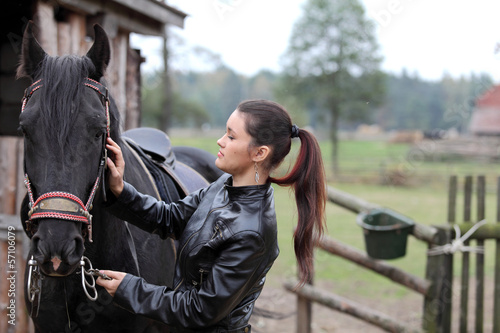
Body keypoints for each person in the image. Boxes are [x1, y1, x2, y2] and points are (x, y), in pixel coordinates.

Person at [97, 99, 326, 333]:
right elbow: (171, 218)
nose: (221, 141)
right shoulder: (225, 185)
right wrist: (121, 191)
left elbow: (199, 310)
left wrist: (129, 289)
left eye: (231, 136)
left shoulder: (252, 233)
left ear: (259, 153)